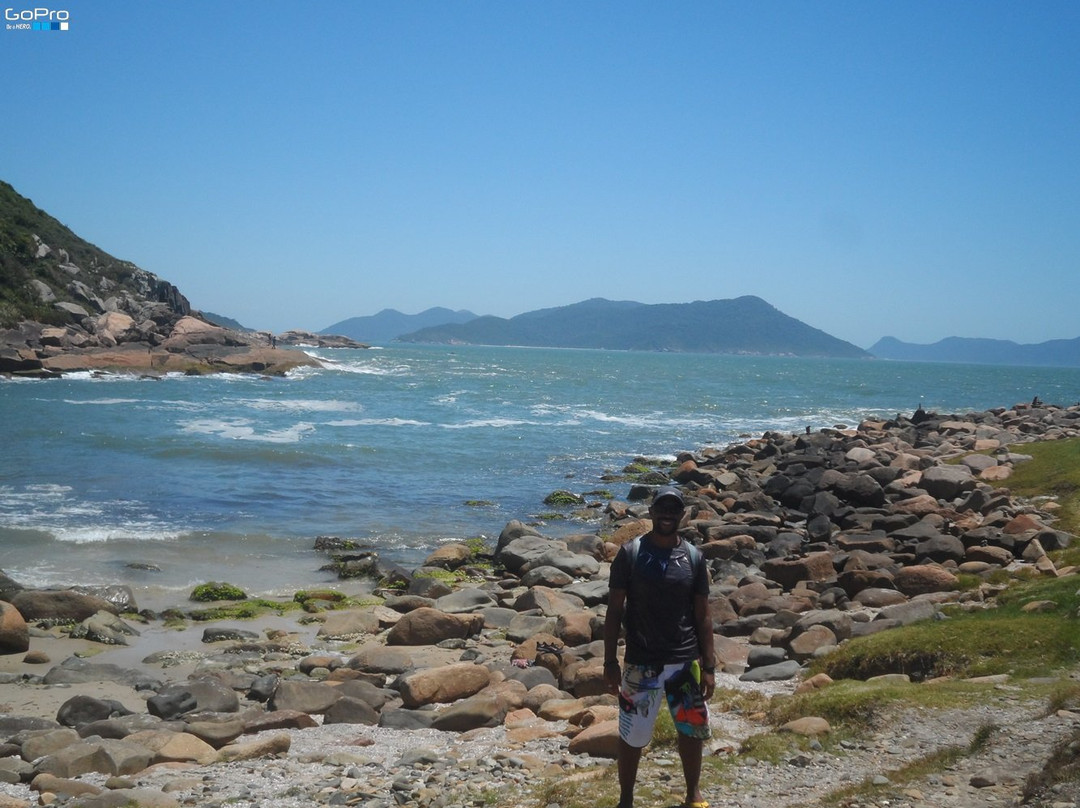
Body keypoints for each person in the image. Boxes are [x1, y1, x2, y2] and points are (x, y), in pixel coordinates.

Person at [603, 485, 715, 808]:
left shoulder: (693, 558)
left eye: (673, 509)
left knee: (692, 730)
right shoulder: (631, 554)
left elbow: (703, 615)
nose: (667, 514)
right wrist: (610, 662)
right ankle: (626, 799)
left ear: (682, 514)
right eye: (661, 509)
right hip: (641, 662)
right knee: (632, 735)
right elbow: (614, 611)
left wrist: (709, 667)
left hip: (684, 661)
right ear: (651, 513)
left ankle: (693, 794)